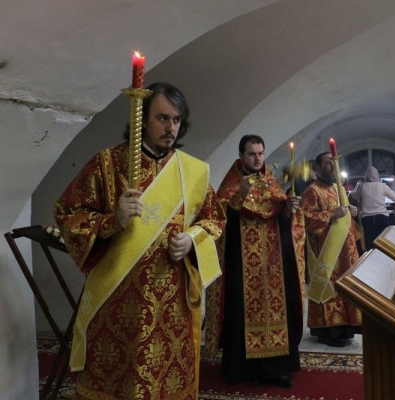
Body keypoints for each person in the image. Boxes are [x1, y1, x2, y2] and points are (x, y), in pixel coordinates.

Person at [54, 82, 226, 399]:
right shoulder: (107, 164)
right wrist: (111, 221)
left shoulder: (193, 172)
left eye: (176, 120)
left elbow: (214, 219)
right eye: (162, 118)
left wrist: (191, 239)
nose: (171, 127)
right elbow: (67, 213)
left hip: (172, 302)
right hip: (117, 300)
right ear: (142, 119)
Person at [206, 134, 305, 387]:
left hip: (273, 262)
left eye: (260, 153)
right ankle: (242, 369)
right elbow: (221, 218)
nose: (257, 158)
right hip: (242, 263)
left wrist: (288, 208)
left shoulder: (270, 179)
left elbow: (278, 213)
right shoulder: (232, 181)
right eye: (252, 154)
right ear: (241, 155)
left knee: (276, 310)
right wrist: (239, 195)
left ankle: (277, 369)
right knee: (241, 311)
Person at [301, 151, 362, 347]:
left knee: (345, 286)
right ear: (317, 169)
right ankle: (329, 332)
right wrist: (331, 214)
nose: (332, 167)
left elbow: (346, 217)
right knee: (330, 286)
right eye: (328, 164)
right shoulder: (312, 191)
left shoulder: (339, 189)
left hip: (346, 250)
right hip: (327, 251)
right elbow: (306, 218)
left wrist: (353, 212)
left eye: (334, 163)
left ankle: (347, 327)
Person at [350, 166, 395, 250]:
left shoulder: (361, 186)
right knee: (384, 242)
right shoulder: (382, 186)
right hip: (382, 218)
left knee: (369, 244)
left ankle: (371, 260)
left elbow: (353, 195)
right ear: (377, 175)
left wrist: (358, 185)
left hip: (366, 219)